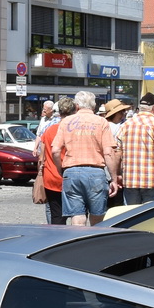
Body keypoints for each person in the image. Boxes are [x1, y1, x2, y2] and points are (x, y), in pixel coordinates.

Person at [52, 90, 120, 226]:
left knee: (77, 216)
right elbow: (108, 152)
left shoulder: (66, 122)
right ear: (94, 106)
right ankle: (94, 243)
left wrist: (60, 169)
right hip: (95, 172)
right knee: (97, 215)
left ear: (76, 106)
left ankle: (78, 244)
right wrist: (113, 178)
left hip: (71, 171)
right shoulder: (101, 122)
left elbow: (55, 150)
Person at [32, 114, 66, 224]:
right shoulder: (73, 129)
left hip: (51, 176)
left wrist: (40, 169)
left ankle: (57, 237)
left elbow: (42, 156)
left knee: (56, 214)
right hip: (70, 175)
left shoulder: (50, 129)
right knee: (78, 214)